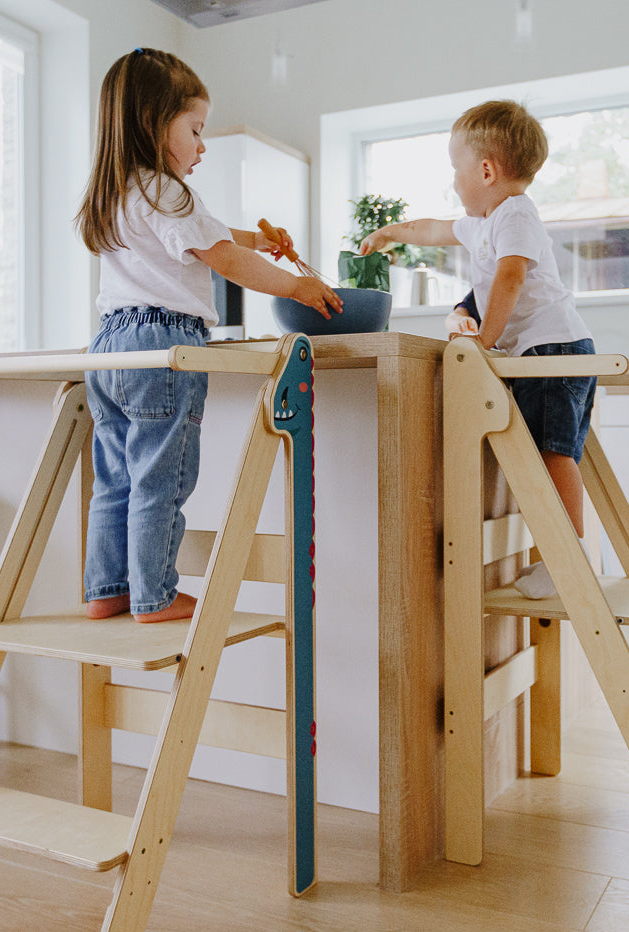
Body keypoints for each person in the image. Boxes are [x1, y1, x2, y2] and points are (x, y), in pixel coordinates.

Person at [76, 48, 340, 622]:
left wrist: (257, 240)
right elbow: (218, 255)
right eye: (195, 129)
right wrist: (294, 286)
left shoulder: (119, 193)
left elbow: (209, 236)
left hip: (109, 348)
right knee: (161, 476)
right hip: (163, 345)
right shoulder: (170, 193)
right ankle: (155, 596)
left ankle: (108, 591)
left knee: (115, 479)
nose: (202, 144)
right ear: (153, 124)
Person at [359, 99, 594, 599]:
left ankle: (569, 562)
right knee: (545, 456)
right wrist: (387, 233)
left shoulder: (516, 215)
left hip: (553, 353)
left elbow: (510, 275)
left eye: (455, 169)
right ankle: (558, 556)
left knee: (553, 457)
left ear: (485, 170)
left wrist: (485, 340)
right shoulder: (485, 223)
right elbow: (432, 229)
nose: (453, 182)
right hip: (542, 353)